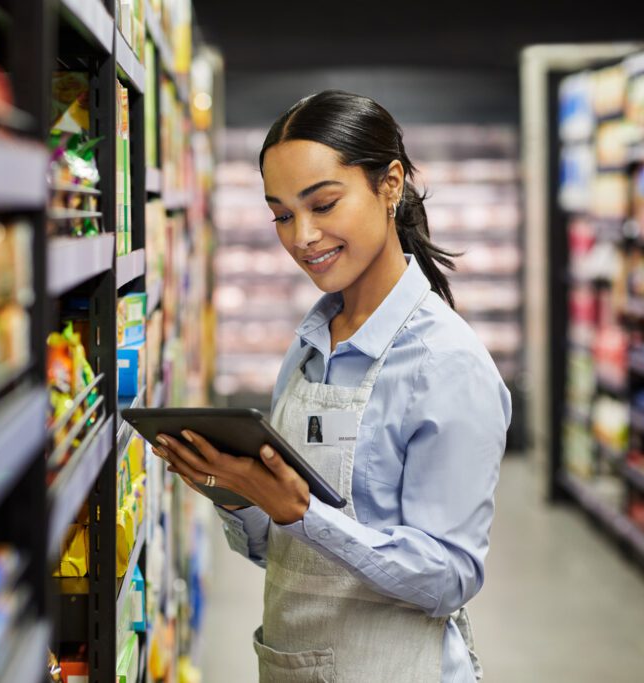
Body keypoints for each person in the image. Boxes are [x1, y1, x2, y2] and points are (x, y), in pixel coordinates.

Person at [152, 90, 510, 682]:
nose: (302, 237)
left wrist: (303, 514)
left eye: (322, 204)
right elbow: (281, 551)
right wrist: (237, 491)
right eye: (283, 215)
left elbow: (450, 577)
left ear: (390, 184)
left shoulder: (446, 364)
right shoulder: (311, 343)